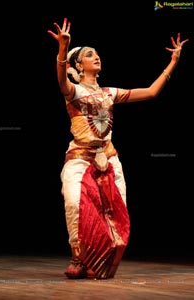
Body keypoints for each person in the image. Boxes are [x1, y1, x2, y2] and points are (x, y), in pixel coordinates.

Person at [47, 17, 189, 280]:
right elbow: (61, 82)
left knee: (114, 210)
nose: (97, 57)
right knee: (75, 204)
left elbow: (150, 93)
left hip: (108, 158)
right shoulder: (74, 92)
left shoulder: (110, 93)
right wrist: (62, 50)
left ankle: (98, 261)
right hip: (80, 157)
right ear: (79, 65)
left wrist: (173, 63)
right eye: (90, 55)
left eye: (98, 54)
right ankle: (77, 258)